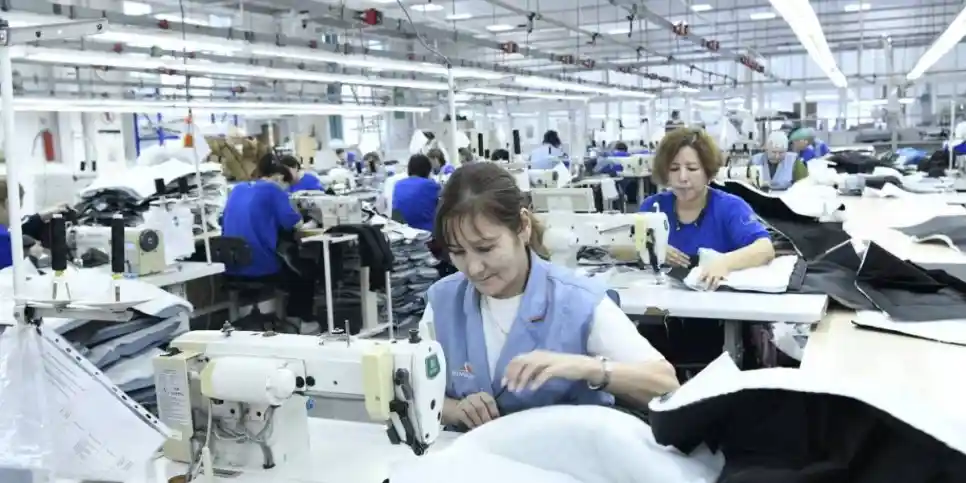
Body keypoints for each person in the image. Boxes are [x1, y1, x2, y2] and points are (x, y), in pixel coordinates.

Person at [422, 162, 679, 431]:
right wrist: (454, 410)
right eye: (458, 252)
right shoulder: (443, 301)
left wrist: (589, 368)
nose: (474, 268)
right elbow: (415, 393)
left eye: (485, 248)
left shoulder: (579, 302)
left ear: (523, 226)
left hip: (566, 455)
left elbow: (667, 386)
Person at [640, 128, 775, 288]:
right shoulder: (653, 207)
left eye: (692, 169)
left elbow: (765, 249)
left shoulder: (730, 207)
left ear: (708, 172)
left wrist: (724, 263)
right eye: (674, 169)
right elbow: (623, 246)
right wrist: (650, 249)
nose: (682, 178)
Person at [222, 160, 318, 332]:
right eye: (287, 187)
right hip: (260, 266)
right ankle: (299, 320)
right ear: (279, 177)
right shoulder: (273, 190)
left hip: (232, 265)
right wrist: (314, 222)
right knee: (305, 270)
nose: (286, 192)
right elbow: (295, 224)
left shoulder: (237, 189)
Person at [0, 181, 71, 269]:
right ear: (8, 204)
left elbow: (15, 228)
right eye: (18, 208)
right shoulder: (4, 240)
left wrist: (39, 216)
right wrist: (31, 256)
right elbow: (10, 272)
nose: (17, 215)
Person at [392, 154, 441, 232]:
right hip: (425, 232)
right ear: (428, 169)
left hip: (401, 231)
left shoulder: (398, 184)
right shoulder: (430, 185)